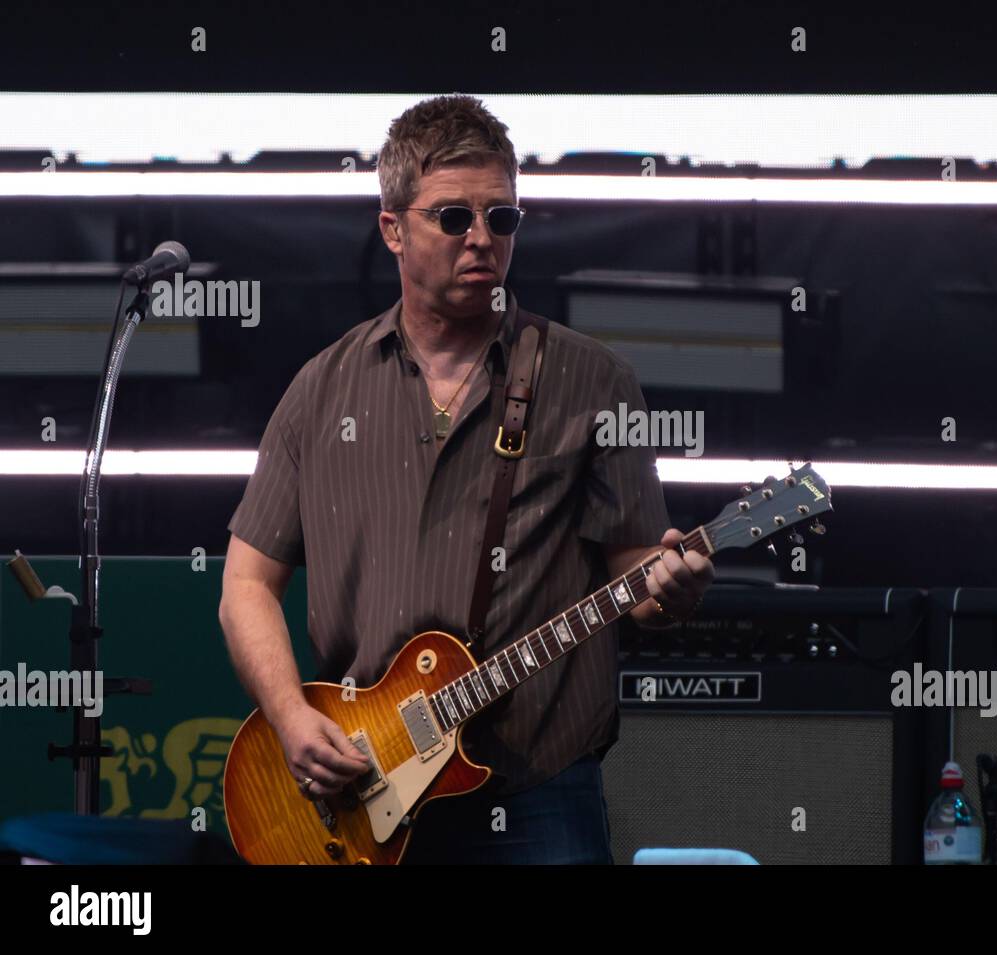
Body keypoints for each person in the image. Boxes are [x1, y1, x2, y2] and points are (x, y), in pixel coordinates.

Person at [218, 94, 714, 864]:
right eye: (453, 218)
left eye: (502, 219)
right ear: (392, 228)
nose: (481, 238)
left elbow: (636, 579)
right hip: (360, 785)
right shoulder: (321, 389)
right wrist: (288, 717)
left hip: (538, 792)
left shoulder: (592, 381)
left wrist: (669, 590)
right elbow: (247, 582)